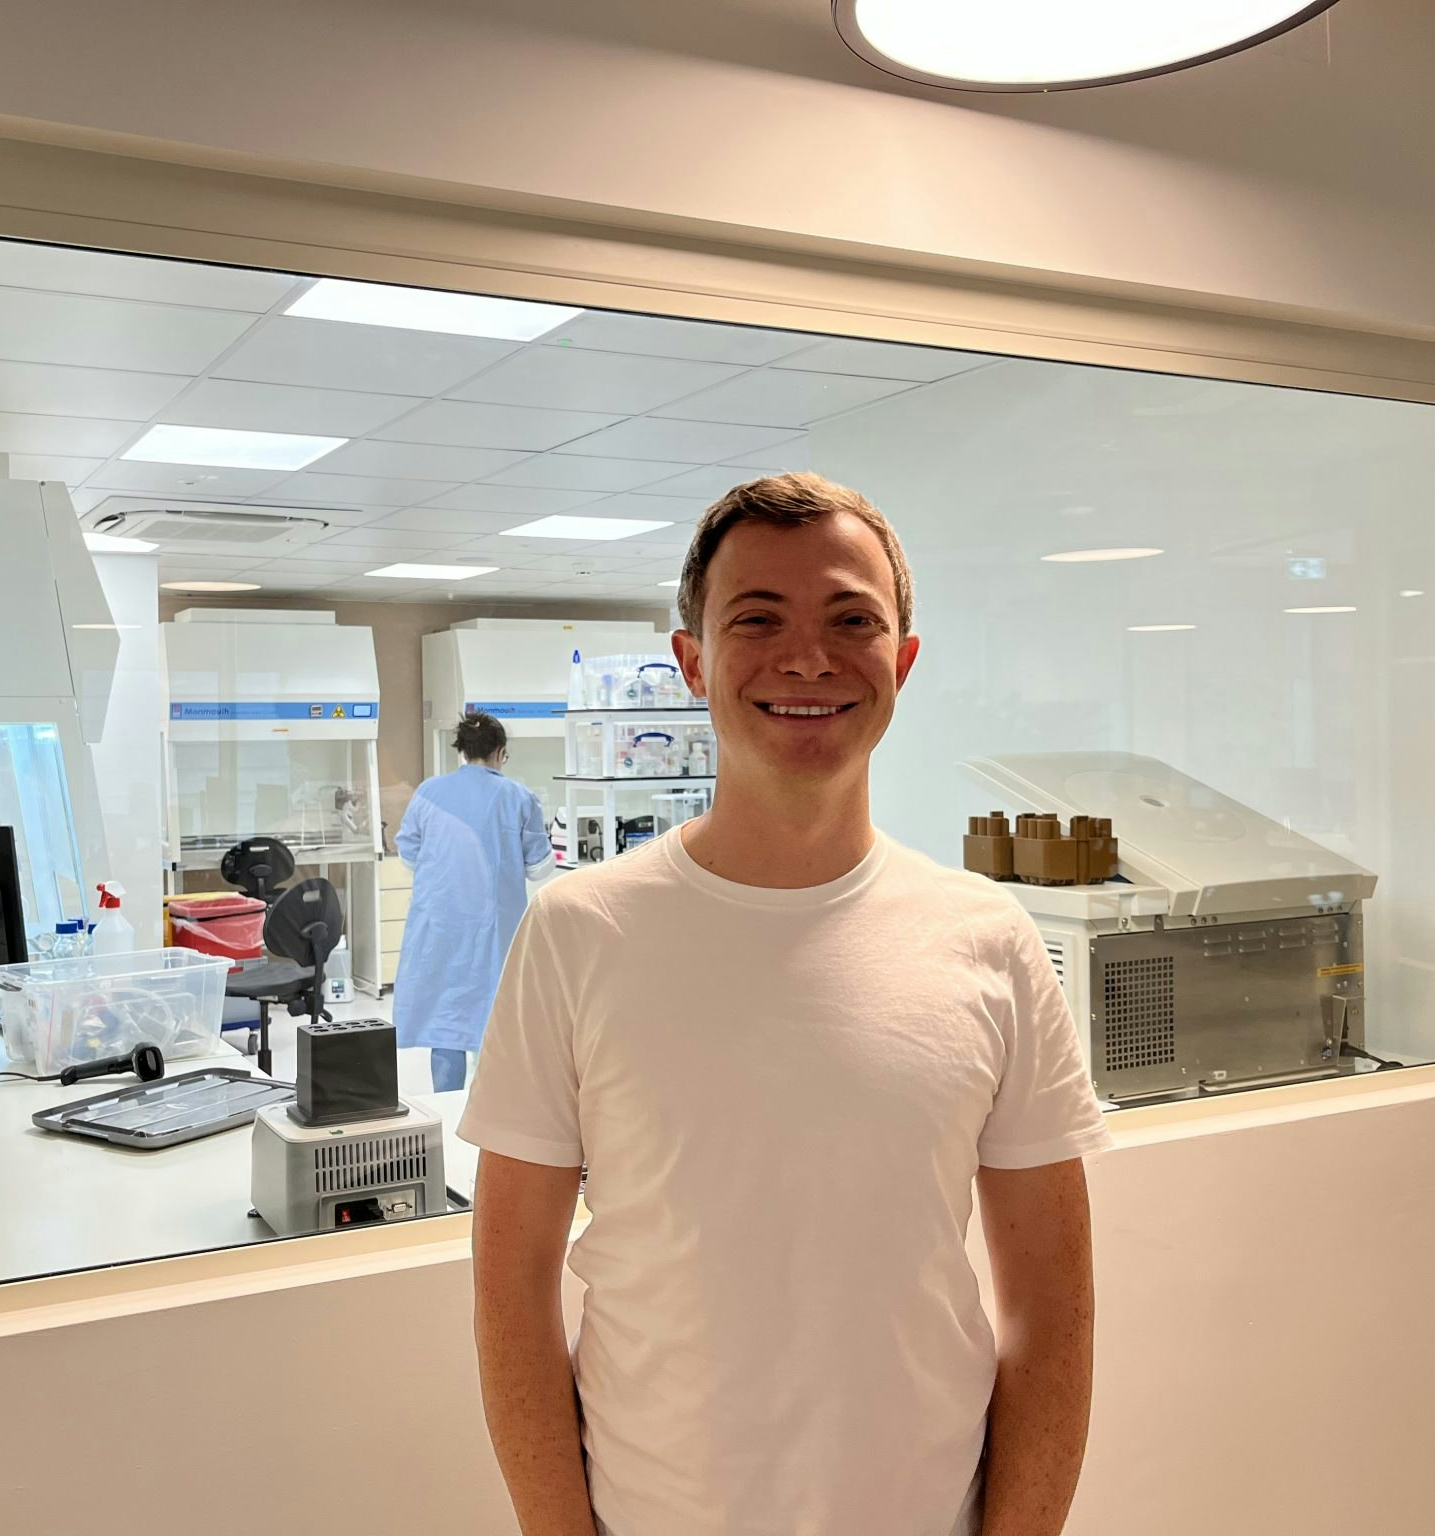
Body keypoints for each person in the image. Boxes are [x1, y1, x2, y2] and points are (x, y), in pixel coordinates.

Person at [459, 472, 1110, 1536]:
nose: (807, 656)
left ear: (900, 659)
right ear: (691, 660)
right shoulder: (578, 934)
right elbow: (509, 1296)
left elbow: (1053, 1309)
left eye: (851, 620)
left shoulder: (988, 942)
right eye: (756, 619)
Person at [393, 709, 554, 1092]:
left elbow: (407, 854)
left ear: (461, 752)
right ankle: (493, 1113)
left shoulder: (429, 792)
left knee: (445, 1017)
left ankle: (447, 1109)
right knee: (495, 1018)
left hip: (440, 926)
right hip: (494, 929)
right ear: (500, 752)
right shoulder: (518, 796)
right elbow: (540, 867)